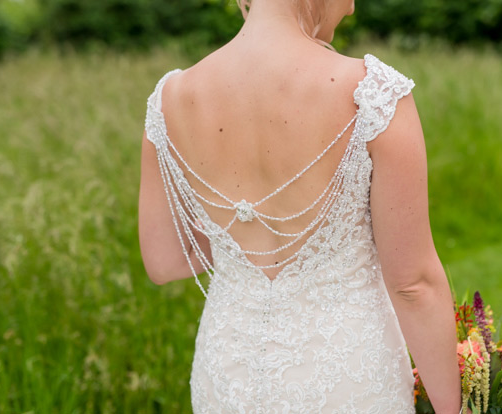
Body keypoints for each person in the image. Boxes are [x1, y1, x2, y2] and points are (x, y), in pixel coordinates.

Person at [138, 0, 461, 412]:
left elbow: (165, 262)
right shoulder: (372, 94)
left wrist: (236, 239)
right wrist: (453, 407)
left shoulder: (170, 98)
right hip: (347, 376)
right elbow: (413, 284)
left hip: (228, 375)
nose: (351, 9)